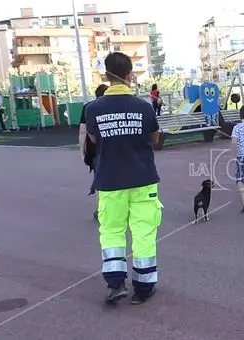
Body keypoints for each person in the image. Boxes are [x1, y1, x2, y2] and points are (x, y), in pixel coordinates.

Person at [85, 52, 163, 305]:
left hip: (109, 181)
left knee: (111, 231)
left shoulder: (93, 109)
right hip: (143, 179)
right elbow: (154, 139)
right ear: (130, 75)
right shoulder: (143, 106)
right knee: (144, 232)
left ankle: (115, 283)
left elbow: (95, 140)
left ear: (106, 76)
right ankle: (143, 286)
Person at [79, 84, 109, 220]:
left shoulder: (88, 108)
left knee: (100, 177)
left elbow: (82, 131)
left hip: (95, 149)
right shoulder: (113, 106)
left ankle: (101, 209)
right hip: (114, 147)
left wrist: (82, 151)